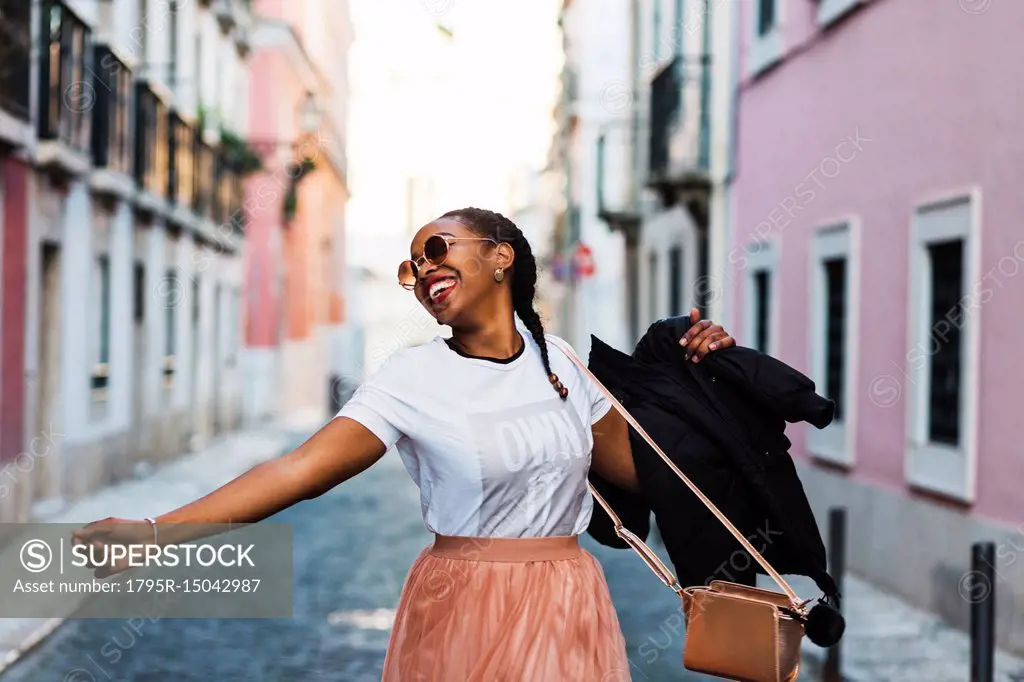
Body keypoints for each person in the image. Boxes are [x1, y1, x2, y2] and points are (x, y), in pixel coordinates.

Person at [73, 207, 736, 681]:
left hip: (569, 597)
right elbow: (302, 467)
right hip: (465, 599)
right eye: (412, 265)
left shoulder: (558, 360)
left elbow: (657, 474)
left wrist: (707, 377)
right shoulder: (412, 375)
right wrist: (158, 531)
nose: (423, 270)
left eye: (439, 249)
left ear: (501, 256)